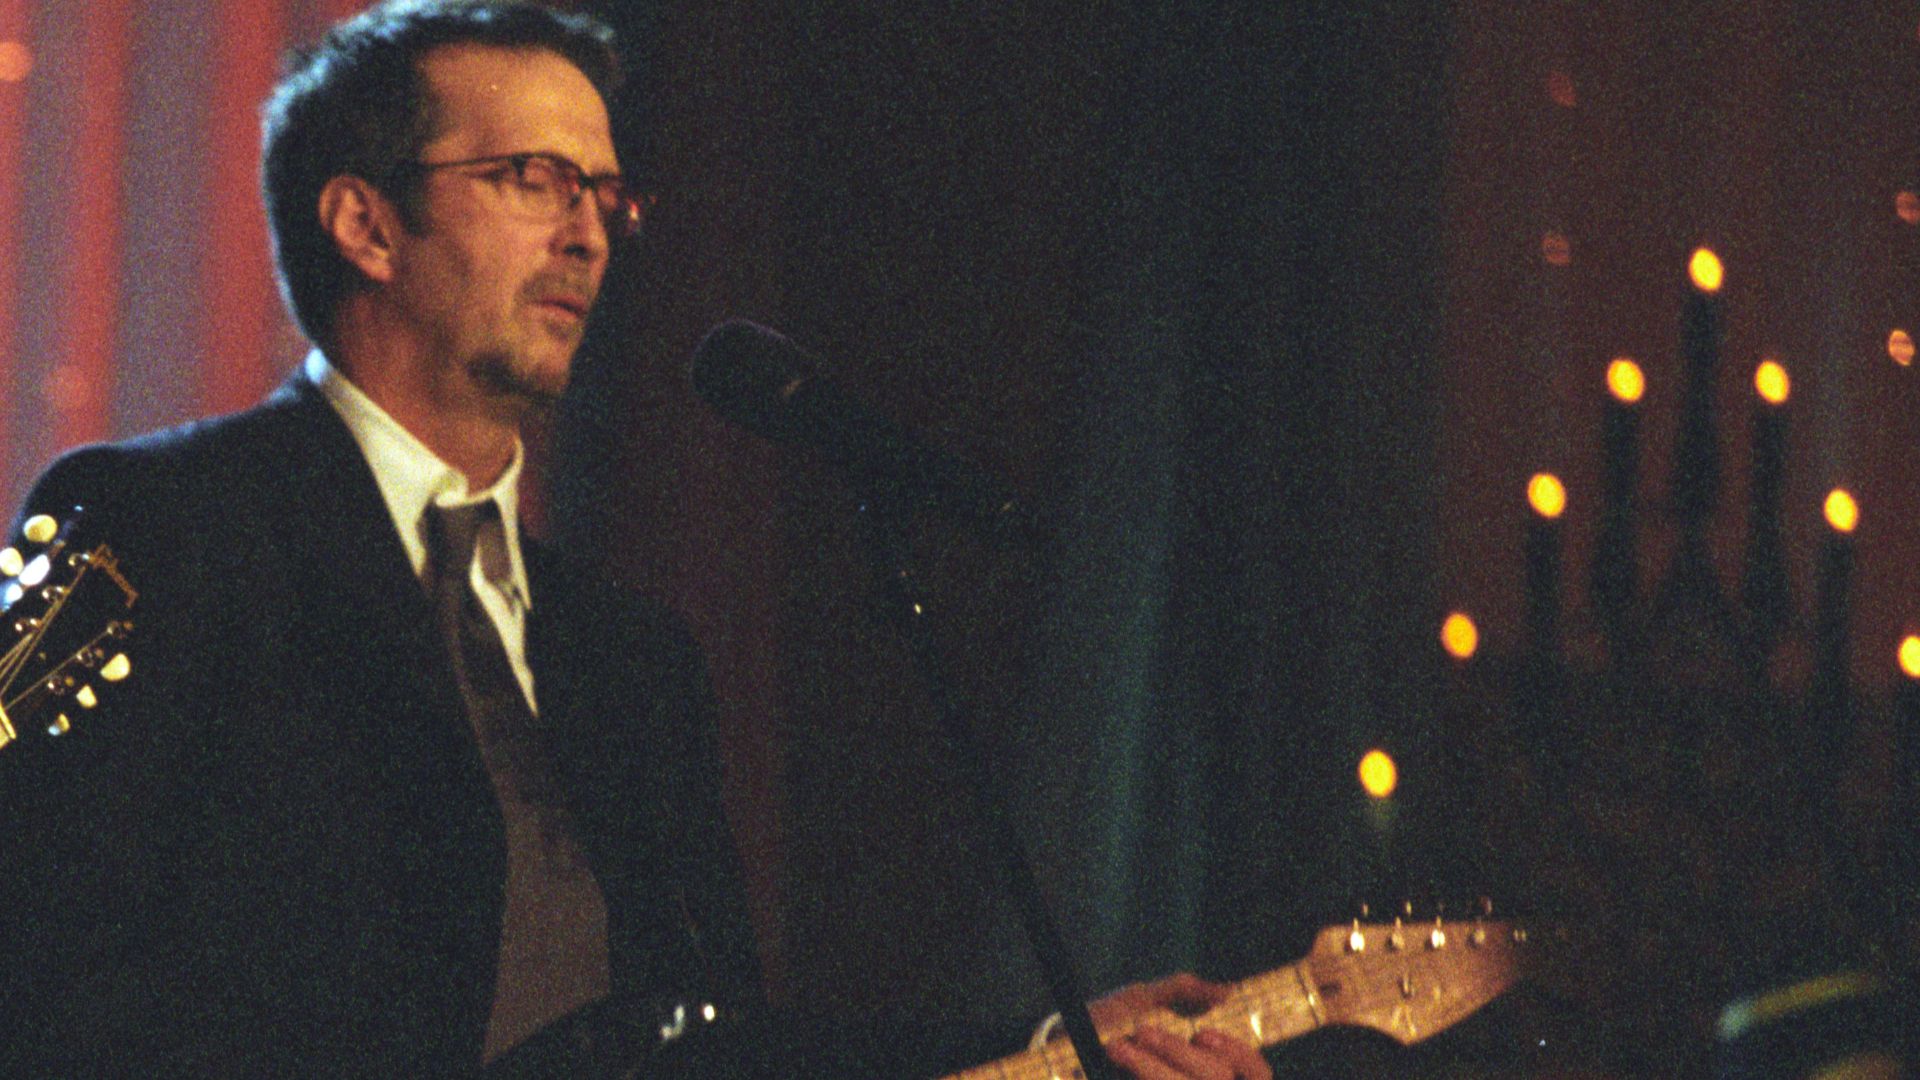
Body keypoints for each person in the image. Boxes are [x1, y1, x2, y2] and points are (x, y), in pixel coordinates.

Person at [0, 3, 1271, 1078]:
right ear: (365, 224)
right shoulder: (145, 525)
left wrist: (1055, 1043)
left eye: (607, 192)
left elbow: (719, 1049)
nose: (589, 234)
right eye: (533, 180)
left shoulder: (629, 655)